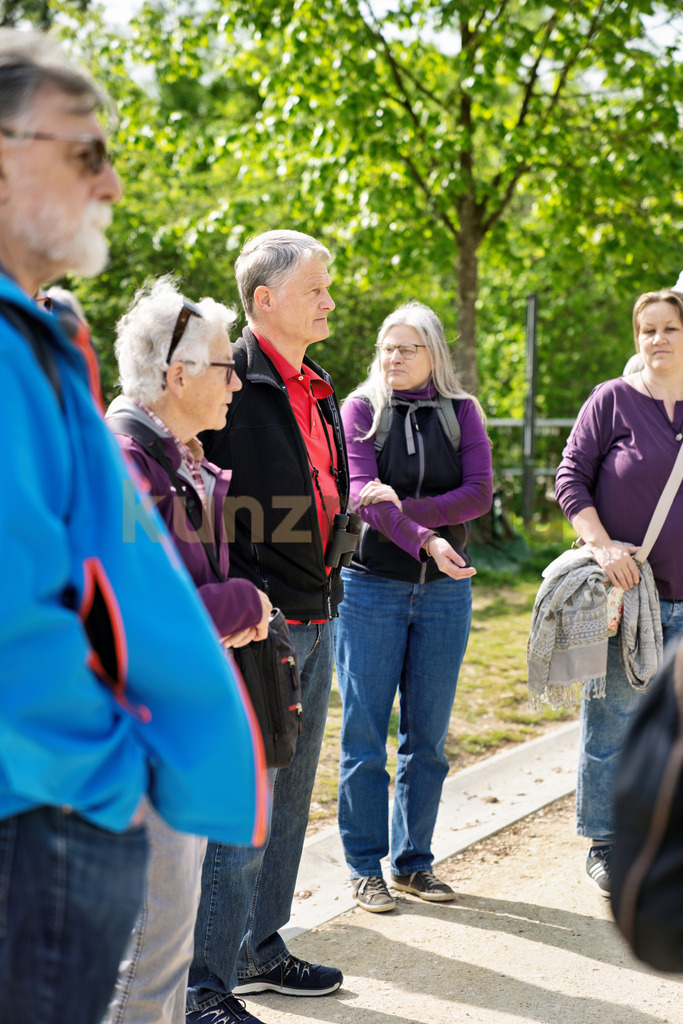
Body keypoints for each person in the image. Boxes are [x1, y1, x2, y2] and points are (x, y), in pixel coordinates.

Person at [0, 29, 267, 1024]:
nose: (110, 185)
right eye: (86, 154)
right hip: (52, 806)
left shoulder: (39, 336)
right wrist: (105, 771)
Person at [187, 230, 351, 1024]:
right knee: (243, 808)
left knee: (288, 802)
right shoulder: (227, 383)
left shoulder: (318, 383)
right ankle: (201, 986)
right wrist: (240, 593)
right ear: (264, 300)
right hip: (256, 625)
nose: (329, 301)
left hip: (320, 610)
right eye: (315, 289)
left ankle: (260, 949)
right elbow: (193, 502)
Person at [103, 276, 272, 1024]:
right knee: (148, 955)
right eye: (226, 367)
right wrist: (247, 604)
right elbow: (140, 618)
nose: (237, 381)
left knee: (162, 954)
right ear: (177, 376)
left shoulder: (171, 460)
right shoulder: (125, 463)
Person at [334, 301, 492, 912]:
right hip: (370, 588)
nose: (393, 357)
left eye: (407, 348)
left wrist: (404, 509)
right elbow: (360, 497)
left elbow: (478, 494)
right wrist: (424, 536)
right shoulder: (361, 410)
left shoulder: (462, 411)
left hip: (446, 592)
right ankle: (364, 867)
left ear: (434, 354)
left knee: (427, 739)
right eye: (387, 347)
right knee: (364, 737)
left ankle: (413, 864)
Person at [555, 288, 683, 898]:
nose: (657, 339)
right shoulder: (612, 400)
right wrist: (603, 546)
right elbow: (570, 478)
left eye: (670, 328)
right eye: (647, 329)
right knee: (612, 724)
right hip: (627, 598)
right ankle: (605, 844)